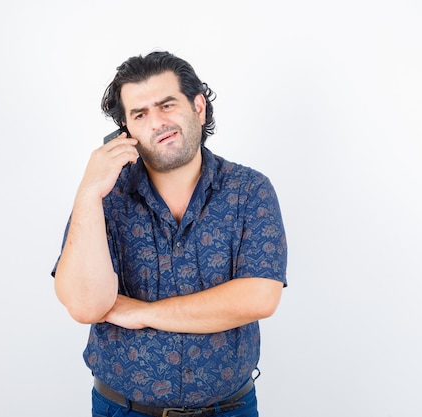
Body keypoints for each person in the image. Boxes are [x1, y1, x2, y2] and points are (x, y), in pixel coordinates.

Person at [51, 50, 287, 417]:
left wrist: (143, 313)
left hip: (230, 409)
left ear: (198, 107)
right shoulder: (104, 198)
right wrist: (88, 191)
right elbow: (85, 305)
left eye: (167, 105)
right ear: (124, 133)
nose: (158, 122)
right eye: (140, 114)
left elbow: (258, 298)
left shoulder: (249, 189)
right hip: (124, 409)